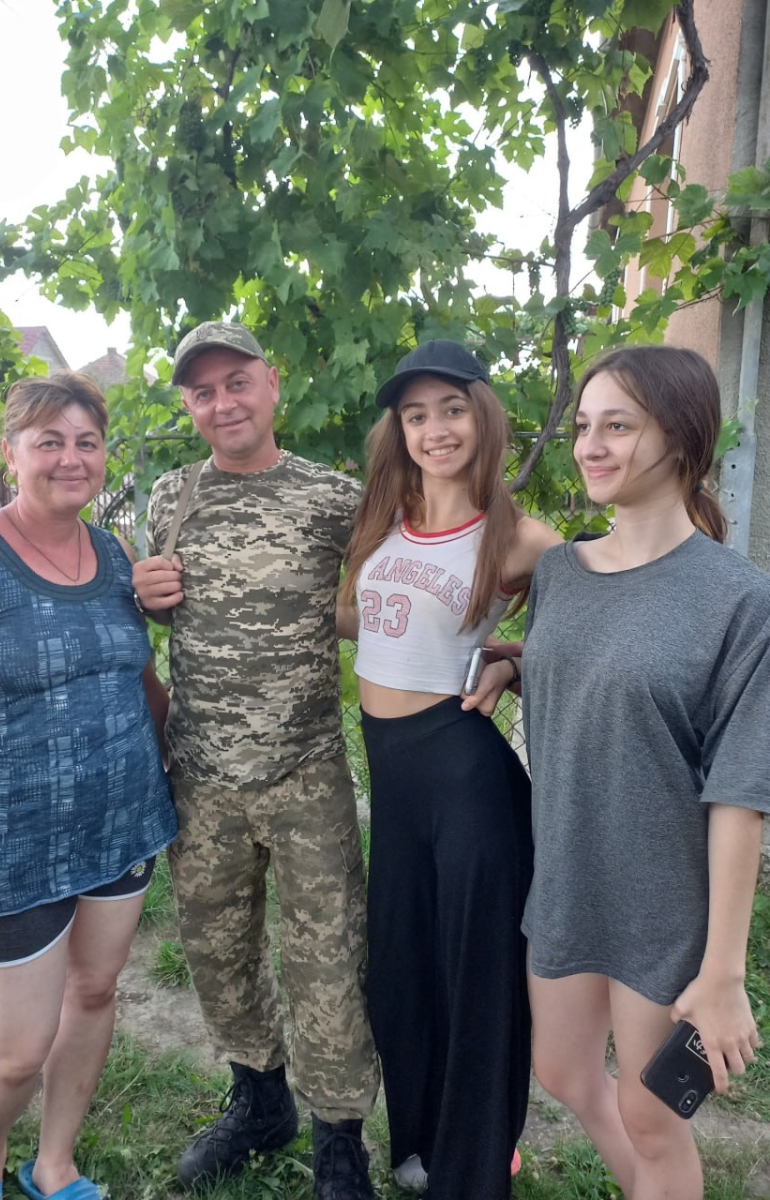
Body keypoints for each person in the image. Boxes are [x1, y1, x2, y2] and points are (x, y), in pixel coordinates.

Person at [0, 373, 177, 1200]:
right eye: (49, 441)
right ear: (10, 452)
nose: (70, 458)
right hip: (11, 847)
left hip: (121, 825)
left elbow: (140, 680)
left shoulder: (115, 554)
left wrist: (172, 765)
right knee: (17, 1050)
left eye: (87, 441)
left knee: (93, 993)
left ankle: (55, 1164)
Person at [132, 322, 380, 1200]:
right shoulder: (172, 495)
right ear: (190, 407)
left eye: (236, 382)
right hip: (201, 775)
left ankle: (340, 1138)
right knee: (217, 950)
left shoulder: (334, 498)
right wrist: (147, 597)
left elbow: (385, 599)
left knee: (328, 959)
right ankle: (260, 1100)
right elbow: (166, 608)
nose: (222, 403)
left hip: (305, 770)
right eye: (202, 392)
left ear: (272, 385)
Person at [517, 345, 769, 1200]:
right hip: (565, 876)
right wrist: (512, 664)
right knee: (561, 1072)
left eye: (618, 426)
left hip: (664, 905)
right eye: (584, 426)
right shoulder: (558, 573)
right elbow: (593, 673)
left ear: (683, 436)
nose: (591, 446)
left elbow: (741, 792)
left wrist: (723, 972)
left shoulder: (740, 600)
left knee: (654, 1115)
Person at [339, 340, 561, 1199]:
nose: (435, 429)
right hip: (393, 781)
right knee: (401, 970)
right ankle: (424, 1140)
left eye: (452, 409)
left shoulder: (522, 539)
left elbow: (592, 635)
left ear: (484, 417)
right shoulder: (383, 521)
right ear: (399, 430)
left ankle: (476, 1166)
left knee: (477, 981)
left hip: (466, 781)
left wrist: (514, 658)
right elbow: (359, 619)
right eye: (416, 414)